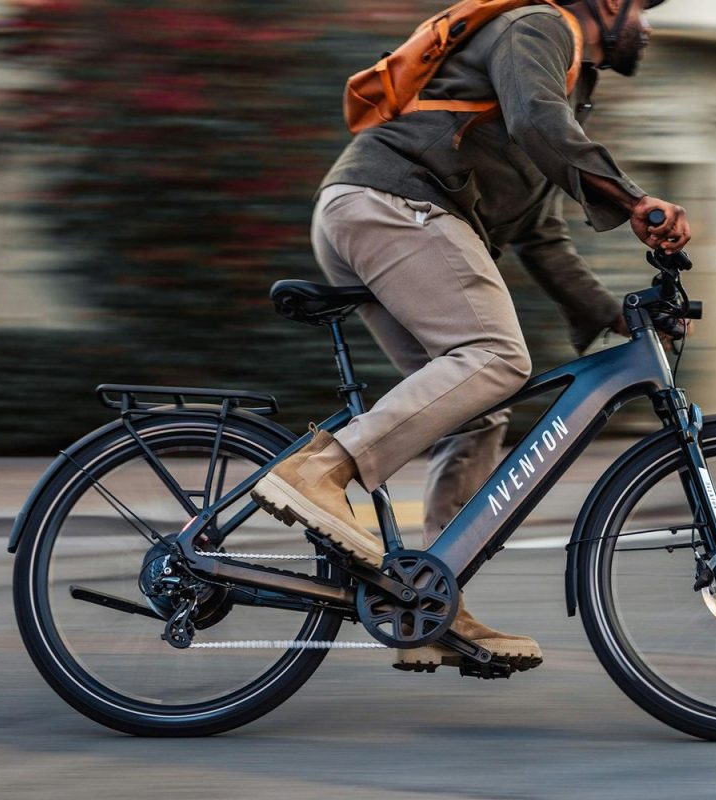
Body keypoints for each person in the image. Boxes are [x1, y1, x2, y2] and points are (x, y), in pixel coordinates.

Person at [252, 0, 690, 673]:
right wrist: (634, 200)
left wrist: (614, 315)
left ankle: (423, 602)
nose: (651, 26)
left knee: (477, 404)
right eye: (646, 7)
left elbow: (541, 236)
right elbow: (538, 122)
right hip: (394, 203)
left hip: (379, 210)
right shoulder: (540, 29)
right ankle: (320, 470)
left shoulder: (571, 79)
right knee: (497, 357)